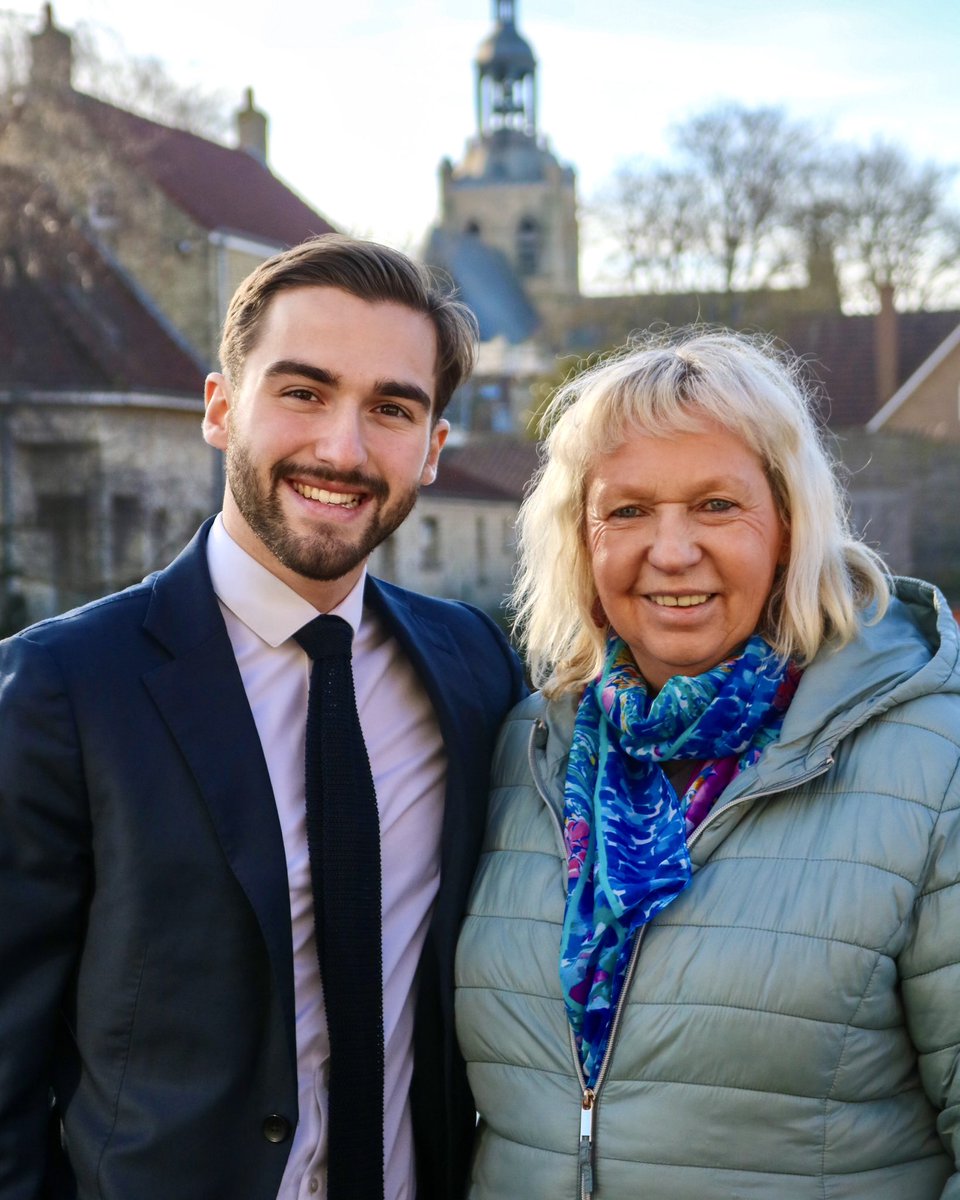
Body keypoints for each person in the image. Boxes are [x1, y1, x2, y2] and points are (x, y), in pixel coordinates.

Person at [0, 234, 526, 1200]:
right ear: (219, 408)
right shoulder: (63, 690)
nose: (343, 447)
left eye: (392, 409)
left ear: (435, 449)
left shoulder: (476, 669)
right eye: (303, 392)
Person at [455, 328, 960, 1198]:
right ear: (580, 537)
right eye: (629, 510)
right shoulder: (525, 749)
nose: (672, 549)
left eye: (716, 506)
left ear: (789, 525)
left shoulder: (933, 762)